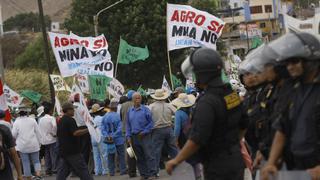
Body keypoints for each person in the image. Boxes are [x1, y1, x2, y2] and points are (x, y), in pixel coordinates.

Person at [166, 48, 247, 179]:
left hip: (217, 166)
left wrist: (176, 160)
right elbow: (243, 125)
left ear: (203, 75)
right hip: (235, 160)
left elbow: (197, 138)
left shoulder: (207, 102)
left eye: (196, 74)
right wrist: (231, 144)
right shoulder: (231, 94)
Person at [261, 32, 320, 180]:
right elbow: (282, 129)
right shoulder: (294, 90)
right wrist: (271, 162)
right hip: (298, 169)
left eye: (294, 61)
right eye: (287, 63)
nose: (290, 67)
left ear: (311, 59)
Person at [56, 102, 93, 180]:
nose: (74, 111)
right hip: (73, 151)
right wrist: (88, 129)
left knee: (63, 172)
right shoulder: (70, 120)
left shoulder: (61, 120)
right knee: (83, 170)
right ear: (68, 110)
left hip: (64, 150)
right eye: (72, 109)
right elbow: (75, 133)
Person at [126, 92, 157, 179]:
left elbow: (151, 123)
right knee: (139, 157)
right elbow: (128, 125)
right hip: (134, 137)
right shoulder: (130, 111)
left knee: (149, 155)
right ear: (132, 100)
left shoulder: (146, 110)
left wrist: (144, 131)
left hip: (145, 136)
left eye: (139, 98)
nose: (138, 100)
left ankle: (153, 173)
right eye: (136, 98)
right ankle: (144, 174)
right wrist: (128, 136)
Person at [149, 89, 178, 176]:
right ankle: (177, 164)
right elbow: (177, 113)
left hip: (157, 130)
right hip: (168, 128)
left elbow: (147, 117)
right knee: (172, 147)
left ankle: (155, 171)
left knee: (156, 151)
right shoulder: (169, 105)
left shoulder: (151, 106)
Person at [12, 107, 42, 180]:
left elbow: (13, 135)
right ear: (27, 113)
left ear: (19, 114)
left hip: (22, 146)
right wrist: (40, 142)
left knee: (25, 162)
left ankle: (29, 177)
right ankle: (38, 175)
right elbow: (38, 132)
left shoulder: (16, 122)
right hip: (33, 144)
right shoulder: (32, 120)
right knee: (36, 160)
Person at [101, 101, 127, 176]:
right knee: (121, 155)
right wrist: (114, 135)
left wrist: (107, 135)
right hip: (118, 138)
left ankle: (111, 172)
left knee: (110, 155)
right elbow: (120, 128)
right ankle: (123, 170)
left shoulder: (105, 116)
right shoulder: (118, 116)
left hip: (109, 139)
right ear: (116, 108)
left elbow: (102, 128)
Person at [120, 90, 137, 177]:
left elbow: (121, 117)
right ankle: (140, 169)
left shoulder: (123, 105)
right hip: (135, 131)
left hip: (125, 132)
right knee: (139, 150)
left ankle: (131, 170)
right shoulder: (136, 104)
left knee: (130, 150)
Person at [38, 103, 58, 176]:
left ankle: (47, 170)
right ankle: (55, 169)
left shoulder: (41, 119)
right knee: (53, 155)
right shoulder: (52, 118)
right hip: (52, 139)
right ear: (49, 111)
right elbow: (55, 126)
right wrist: (54, 133)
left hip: (44, 140)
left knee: (47, 156)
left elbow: (39, 129)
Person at [89, 103, 108, 176]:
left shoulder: (91, 120)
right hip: (101, 137)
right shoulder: (102, 118)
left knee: (96, 155)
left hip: (93, 138)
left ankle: (97, 171)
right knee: (103, 154)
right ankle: (105, 170)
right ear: (100, 111)